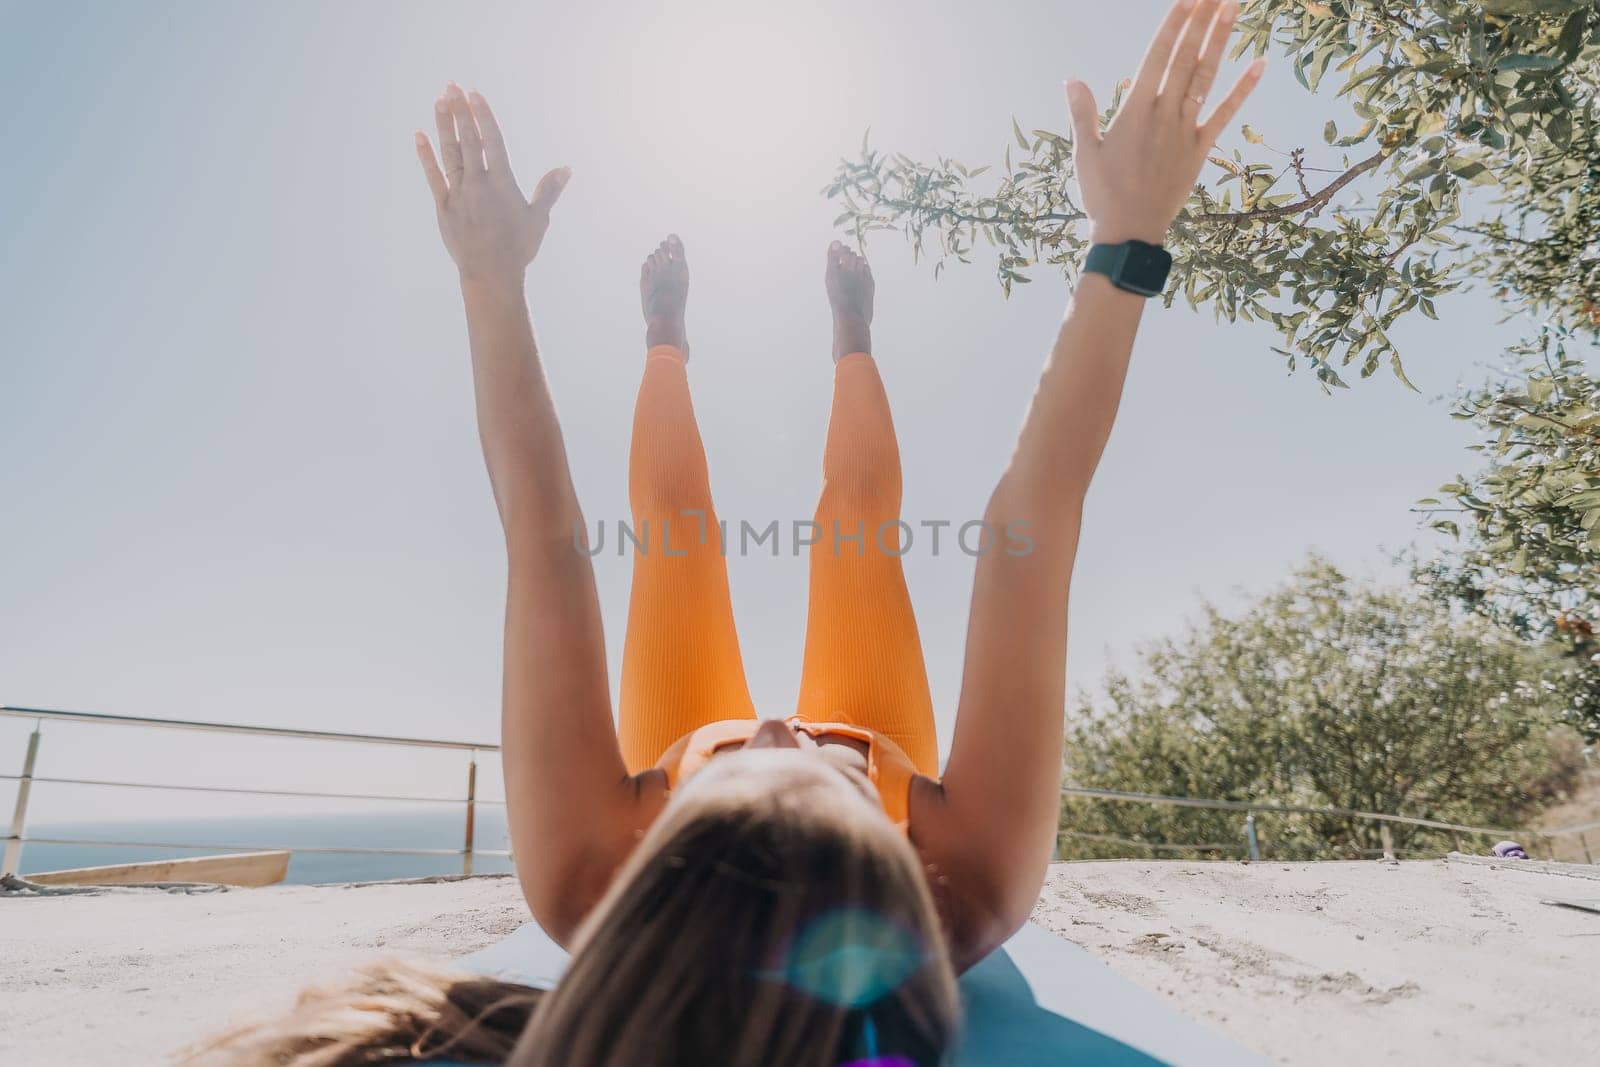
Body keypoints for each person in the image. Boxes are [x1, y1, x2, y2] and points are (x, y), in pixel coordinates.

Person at [190, 2, 1263, 1063]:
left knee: (676, 536)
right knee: (855, 524)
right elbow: (1032, 520)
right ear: (897, 870)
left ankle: (666, 336)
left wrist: (489, 281)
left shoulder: (583, 873)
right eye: (824, 768)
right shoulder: (971, 876)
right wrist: (1127, 244)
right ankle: (854, 335)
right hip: (877, 782)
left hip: (670, 753)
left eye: (742, 757)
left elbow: (543, 531)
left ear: (664, 845)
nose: (784, 724)